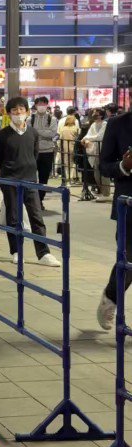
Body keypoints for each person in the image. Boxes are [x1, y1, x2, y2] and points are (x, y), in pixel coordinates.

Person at [0, 96, 60, 267]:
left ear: (27, 111)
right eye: (14, 110)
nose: (18, 113)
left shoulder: (33, 133)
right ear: (9, 113)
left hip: (30, 180)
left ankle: (43, 252)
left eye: (21, 109)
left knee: (36, 216)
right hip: (10, 180)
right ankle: (16, 251)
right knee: (14, 217)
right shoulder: (2, 135)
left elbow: (34, 155)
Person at [97, 110, 132, 329]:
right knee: (129, 261)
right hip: (128, 207)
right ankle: (111, 298)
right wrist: (124, 166)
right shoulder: (118, 124)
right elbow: (105, 165)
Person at [30, 96, 58, 206]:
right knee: (31, 177)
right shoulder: (29, 119)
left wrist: (36, 131)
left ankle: (39, 200)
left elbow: (52, 134)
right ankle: (32, 200)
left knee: (44, 178)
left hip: (47, 152)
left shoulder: (53, 119)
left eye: (43, 103)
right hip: (33, 152)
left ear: (47, 105)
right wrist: (43, 132)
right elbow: (29, 133)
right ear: (35, 105)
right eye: (39, 104)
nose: (41, 106)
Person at [82, 109, 110, 198]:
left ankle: (106, 193)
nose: (94, 115)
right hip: (94, 151)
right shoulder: (93, 125)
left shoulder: (105, 124)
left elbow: (100, 137)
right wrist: (86, 138)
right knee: (96, 173)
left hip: (103, 151)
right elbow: (87, 136)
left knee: (104, 173)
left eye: (96, 114)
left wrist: (87, 139)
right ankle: (101, 191)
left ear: (101, 115)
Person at [60, 114, 81, 185]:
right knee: (73, 163)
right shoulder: (75, 128)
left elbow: (61, 138)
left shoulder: (63, 129)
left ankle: (67, 178)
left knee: (66, 164)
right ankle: (72, 177)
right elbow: (78, 137)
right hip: (73, 147)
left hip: (65, 148)